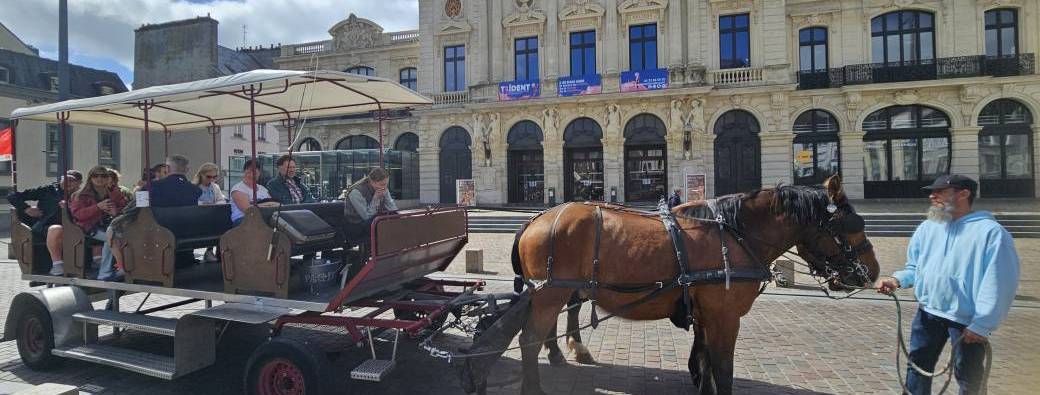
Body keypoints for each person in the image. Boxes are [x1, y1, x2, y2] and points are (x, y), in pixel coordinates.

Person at [877, 174, 1020, 395]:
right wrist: (897, 280)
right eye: (932, 192)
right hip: (928, 313)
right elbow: (914, 267)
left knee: (969, 376)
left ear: (964, 194)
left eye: (940, 191)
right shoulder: (928, 227)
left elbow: (999, 283)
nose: (932, 196)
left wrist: (982, 324)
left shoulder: (991, 234)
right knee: (916, 366)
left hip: (966, 321)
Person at [6, 170, 82, 275]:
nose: (68, 183)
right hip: (46, 227)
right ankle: (57, 265)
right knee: (55, 229)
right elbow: (12, 196)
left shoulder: (81, 196)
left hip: (73, 227)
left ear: (79, 184)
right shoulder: (48, 190)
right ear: (61, 180)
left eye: (72, 181)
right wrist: (26, 209)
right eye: (66, 179)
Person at [69, 166, 128, 281]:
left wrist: (116, 211)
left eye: (103, 176)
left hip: (110, 226)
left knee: (126, 235)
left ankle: (123, 267)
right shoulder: (80, 195)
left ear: (108, 178)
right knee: (111, 237)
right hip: (88, 228)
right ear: (90, 178)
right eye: (96, 175)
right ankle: (106, 272)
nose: (99, 178)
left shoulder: (114, 193)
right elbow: (78, 214)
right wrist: (97, 207)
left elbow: (125, 209)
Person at [342, 167, 398, 240]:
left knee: (394, 219)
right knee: (382, 225)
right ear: (372, 182)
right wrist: (375, 198)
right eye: (382, 184)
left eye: (386, 184)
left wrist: (396, 217)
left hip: (373, 220)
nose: (384, 187)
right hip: (356, 224)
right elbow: (366, 216)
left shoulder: (383, 188)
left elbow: (392, 208)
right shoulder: (356, 192)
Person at [194, 162, 226, 262]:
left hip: (212, 214)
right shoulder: (194, 187)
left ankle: (212, 250)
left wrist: (216, 204)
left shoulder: (214, 187)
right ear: (201, 175)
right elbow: (193, 202)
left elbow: (221, 199)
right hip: (198, 216)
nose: (211, 180)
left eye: (214, 177)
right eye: (208, 177)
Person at [229, 158, 274, 226]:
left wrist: (258, 205)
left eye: (255, 173)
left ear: (259, 174)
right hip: (243, 221)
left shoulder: (263, 189)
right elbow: (248, 210)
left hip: (263, 218)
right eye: (249, 172)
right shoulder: (238, 189)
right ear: (244, 172)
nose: (251, 175)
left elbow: (273, 204)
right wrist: (265, 205)